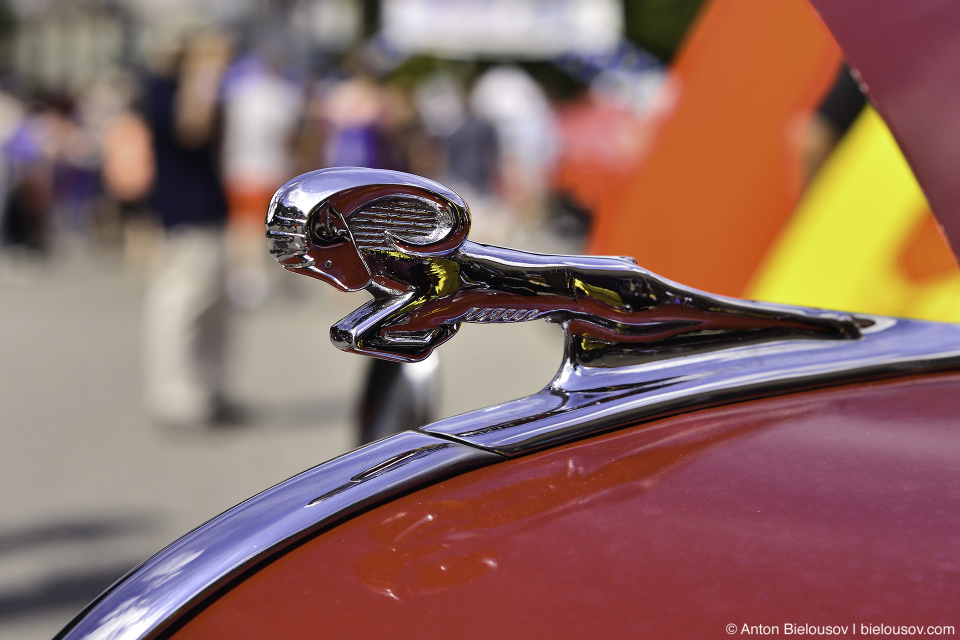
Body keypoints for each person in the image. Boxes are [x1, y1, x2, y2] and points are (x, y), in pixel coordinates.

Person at [140, 32, 240, 428]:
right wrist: (205, 77)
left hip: (207, 208)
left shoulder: (196, 89)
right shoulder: (165, 89)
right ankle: (175, 395)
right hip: (183, 212)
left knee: (214, 307)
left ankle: (208, 390)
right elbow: (192, 129)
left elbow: (219, 142)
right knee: (181, 307)